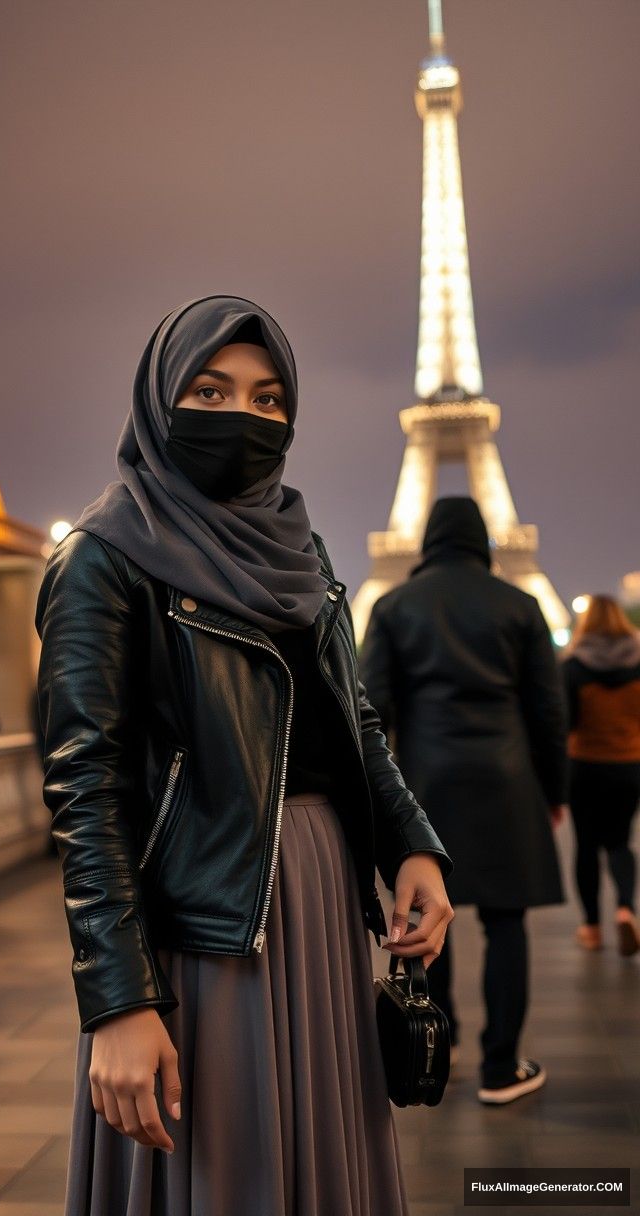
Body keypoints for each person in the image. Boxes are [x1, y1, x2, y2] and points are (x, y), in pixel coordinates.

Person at [36, 295, 454, 1216]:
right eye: (210, 389)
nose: (245, 417)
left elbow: (353, 722)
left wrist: (409, 846)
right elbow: (85, 790)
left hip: (319, 911)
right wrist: (118, 999)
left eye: (270, 401)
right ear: (157, 399)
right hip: (205, 935)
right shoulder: (101, 562)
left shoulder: (302, 551)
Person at [360, 496, 567, 1106]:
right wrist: (554, 792)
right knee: (507, 923)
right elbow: (548, 713)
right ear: (484, 539)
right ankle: (502, 1067)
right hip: (507, 780)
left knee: (429, 918)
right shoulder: (521, 606)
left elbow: (372, 710)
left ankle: (437, 1049)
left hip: (427, 783)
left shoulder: (395, 606)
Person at [562, 595, 640, 956]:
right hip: (629, 764)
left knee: (587, 846)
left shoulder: (574, 666)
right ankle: (625, 907)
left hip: (585, 766)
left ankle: (591, 927)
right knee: (621, 842)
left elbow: (567, 722)